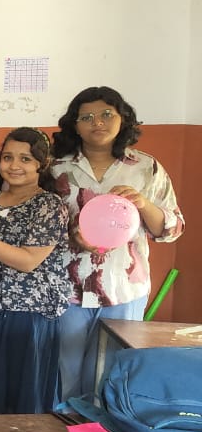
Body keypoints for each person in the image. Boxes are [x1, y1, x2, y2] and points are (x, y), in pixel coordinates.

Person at [50, 87, 184, 401]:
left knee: (112, 375)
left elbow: (172, 228)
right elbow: (39, 224)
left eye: (107, 114)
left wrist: (144, 205)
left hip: (123, 289)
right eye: (86, 117)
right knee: (64, 373)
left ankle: (106, 429)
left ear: (122, 119)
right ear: (74, 125)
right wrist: (71, 235)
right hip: (66, 288)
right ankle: (65, 426)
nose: (97, 122)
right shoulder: (55, 168)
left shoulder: (146, 167)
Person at [0, 128, 69, 414]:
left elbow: (29, 261)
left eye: (25, 159)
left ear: (42, 164)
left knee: (23, 399)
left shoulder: (49, 205)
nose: (14, 165)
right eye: (7, 157)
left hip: (27, 315)